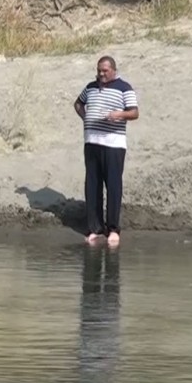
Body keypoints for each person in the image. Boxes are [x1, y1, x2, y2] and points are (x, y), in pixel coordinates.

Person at [73, 56, 139, 247]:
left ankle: (113, 229)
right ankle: (95, 228)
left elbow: (134, 112)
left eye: (105, 71)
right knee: (92, 185)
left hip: (113, 144)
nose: (101, 74)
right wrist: (86, 118)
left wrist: (119, 114)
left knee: (113, 185)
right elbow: (78, 104)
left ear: (113, 70)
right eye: (99, 70)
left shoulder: (124, 87)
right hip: (91, 142)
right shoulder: (91, 87)